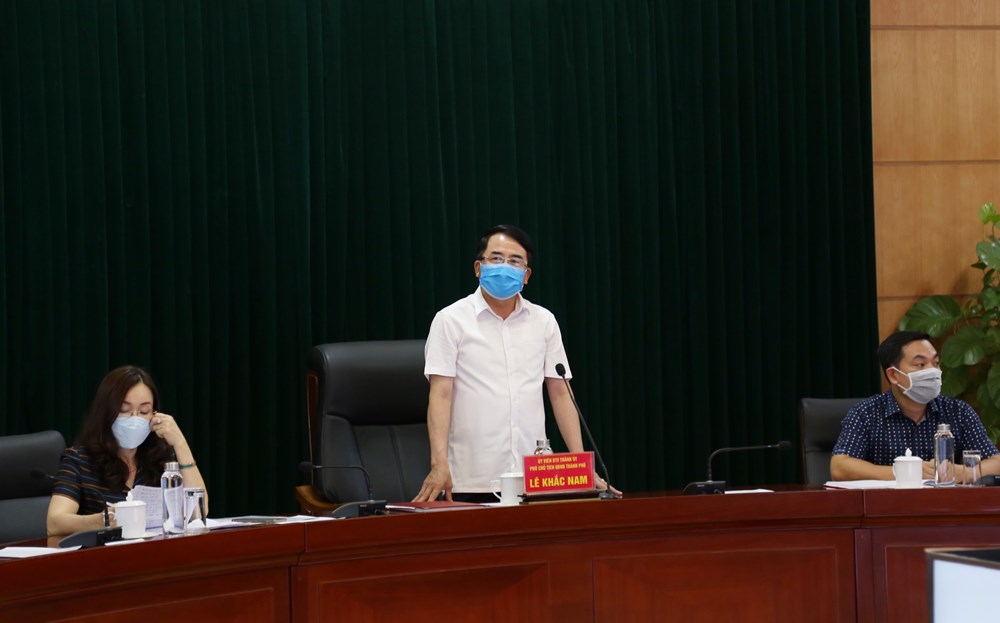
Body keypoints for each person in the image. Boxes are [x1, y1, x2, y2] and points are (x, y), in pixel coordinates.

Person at [412, 224, 618, 503]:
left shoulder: (544, 321)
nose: (504, 267)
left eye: (514, 261)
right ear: (478, 268)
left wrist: (579, 465)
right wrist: (438, 464)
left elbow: (561, 394)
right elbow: (440, 395)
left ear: (526, 275)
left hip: (533, 478)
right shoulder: (450, 320)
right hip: (471, 478)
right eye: (496, 258)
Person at [46, 365, 207, 536]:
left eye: (144, 411)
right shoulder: (78, 460)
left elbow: (198, 513)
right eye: (124, 410)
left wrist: (180, 444)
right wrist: (102, 520)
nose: (134, 419)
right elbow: (55, 523)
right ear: (106, 412)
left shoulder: (161, 459)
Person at [830, 331, 1000, 481]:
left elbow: (996, 462)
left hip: (944, 504)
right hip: (888, 505)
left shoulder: (958, 412)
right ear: (893, 375)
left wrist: (966, 472)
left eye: (935, 363)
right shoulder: (866, 413)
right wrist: (903, 472)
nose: (932, 371)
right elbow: (839, 467)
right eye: (920, 365)